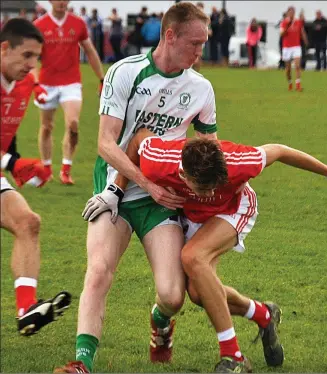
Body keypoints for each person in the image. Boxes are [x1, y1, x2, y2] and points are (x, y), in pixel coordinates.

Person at [83, 127, 327, 372]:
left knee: (192, 257)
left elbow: (280, 150)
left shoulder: (240, 160)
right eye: (204, 189)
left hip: (234, 210)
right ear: (184, 175)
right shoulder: (161, 159)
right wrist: (117, 190)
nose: (210, 194)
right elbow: (136, 141)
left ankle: (233, 356)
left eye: (215, 186)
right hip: (193, 218)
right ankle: (263, 314)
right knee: (198, 294)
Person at [53, 3, 218, 373]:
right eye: (194, 43)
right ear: (169, 35)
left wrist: (209, 193)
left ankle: (160, 323)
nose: (199, 52)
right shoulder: (125, 72)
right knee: (98, 270)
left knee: (173, 296)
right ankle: (82, 364)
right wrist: (143, 183)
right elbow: (106, 144)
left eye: (203, 44)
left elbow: (211, 150)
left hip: (162, 201)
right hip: (115, 189)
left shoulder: (202, 88)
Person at [1, 18, 72, 336]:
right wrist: (13, 163)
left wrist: (19, 164)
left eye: (37, 58)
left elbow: (6, 136)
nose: (32, 65)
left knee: (28, 222)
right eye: (27, 56)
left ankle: (26, 310)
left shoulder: (25, 84)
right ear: (4, 48)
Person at [33, 0, 105, 185]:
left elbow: (90, 51)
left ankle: (66, 169)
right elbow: (32, 56)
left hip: (71, 82)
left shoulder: (78, 23)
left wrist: (102, 79)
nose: (61, 2)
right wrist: (35, 84)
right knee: (46, 126)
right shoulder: (39, 25)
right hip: (47, 83)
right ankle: (47, 169)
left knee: (73, 124)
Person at [280, 6, 308, 91]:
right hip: (287, 47)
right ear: (288, 13)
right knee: (288, 69)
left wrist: (305, 40)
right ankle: (290, 83)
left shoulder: (298, 22)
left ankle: (298, 84)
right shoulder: (284, 22)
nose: (292, 14)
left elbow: (302, 31)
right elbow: (281, 34)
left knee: (297, 65)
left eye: (293, 12)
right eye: (290, 12)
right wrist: (287, 27)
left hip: (296, 46)